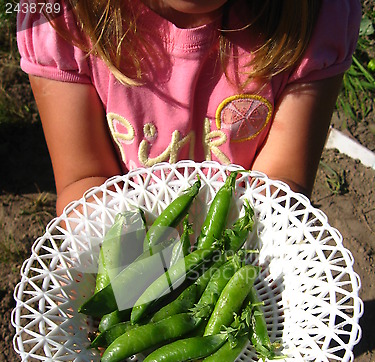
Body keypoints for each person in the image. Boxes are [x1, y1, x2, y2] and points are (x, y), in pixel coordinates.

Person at [17, 0, 361, 215]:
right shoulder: (61, 14)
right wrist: (140, 280)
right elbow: (84, 180)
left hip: (242, 247)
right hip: (122, 247)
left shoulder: (312, 14)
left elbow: (278, 185)